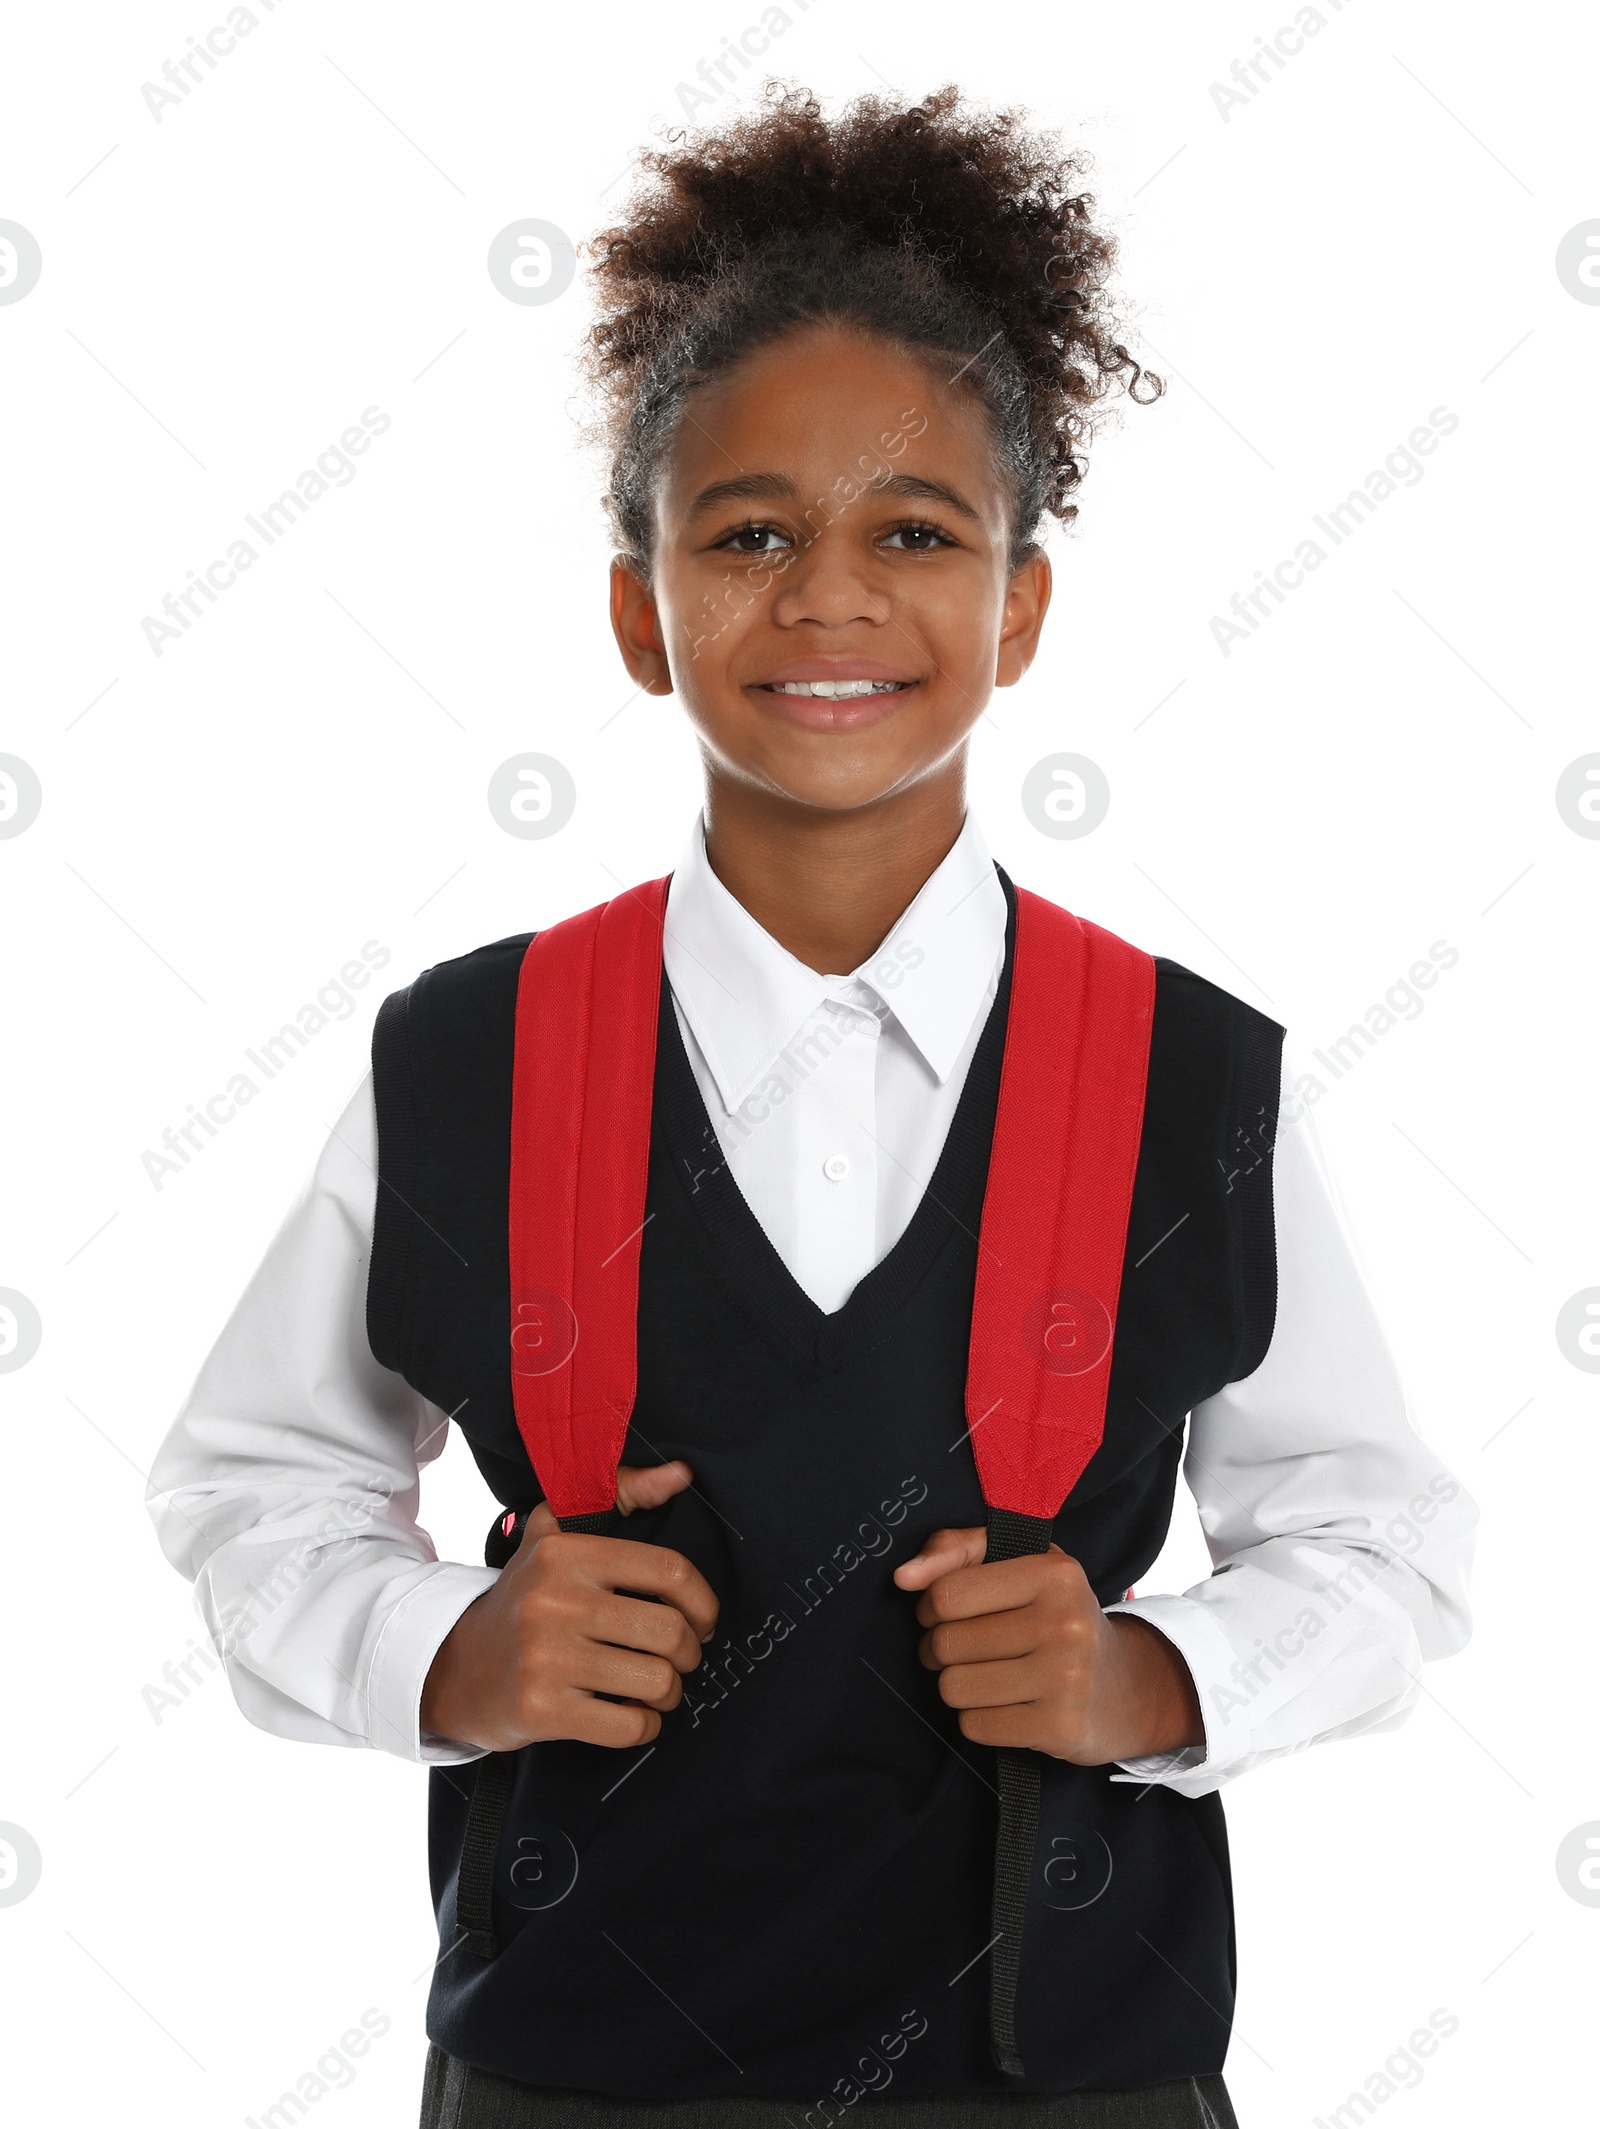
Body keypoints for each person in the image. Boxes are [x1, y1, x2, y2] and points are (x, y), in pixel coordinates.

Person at [148, 82, 1476, 2129]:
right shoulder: (462, 1058)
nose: (829, 597)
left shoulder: (1194, 1075)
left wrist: (1154, 1678)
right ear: (635, 604)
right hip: (575, 2077)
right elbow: (251, 1489)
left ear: (1018, 606)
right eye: (747, 532)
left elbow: (1377, 1541)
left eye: (915, 534)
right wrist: (445, 1652)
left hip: (1069, 2077)